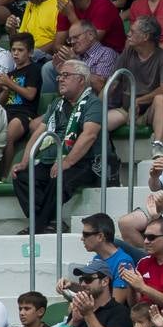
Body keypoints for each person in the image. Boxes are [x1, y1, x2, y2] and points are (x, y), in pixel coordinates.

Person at [13, 60, 104, 234]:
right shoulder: (57, 104)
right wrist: (25, 161)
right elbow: (39, 133)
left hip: (84, 162)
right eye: (59, 76)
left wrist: (67, 162)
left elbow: (89, 136)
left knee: (59, 178)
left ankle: (37, 226)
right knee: (22, 176)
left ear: (81, 80)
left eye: (66, 75)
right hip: (53, 160)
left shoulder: (93, 104)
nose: (60, 79)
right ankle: (51, 222)